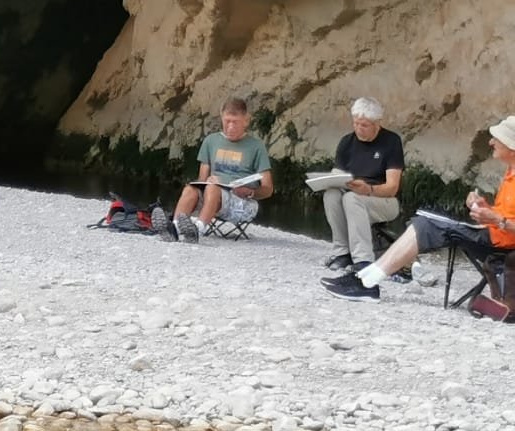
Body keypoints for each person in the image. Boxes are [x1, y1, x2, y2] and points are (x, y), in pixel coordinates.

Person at [322, 115, 515, 302]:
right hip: (491, 236)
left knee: (427, 224)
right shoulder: (510, 172)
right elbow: (505, 214)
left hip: (500, 246)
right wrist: (485, 209)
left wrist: (496, 219)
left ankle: (367, 282)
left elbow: (505, 221)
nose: (491, 142)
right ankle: (365, 277)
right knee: (425, 218)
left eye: (497, 139)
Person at [156, 97, 274, 243]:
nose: (230, 126)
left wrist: (250, 192)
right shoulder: (211, 141)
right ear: (221, 118)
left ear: (246, 121)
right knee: (190, 189)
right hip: (214, 195)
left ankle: (198, 229)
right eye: (227, 121)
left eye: (235, 122)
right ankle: (174, 228)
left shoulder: (256, 146)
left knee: (212, 189)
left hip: (242, 202)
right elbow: (201, 179)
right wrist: (205, 181)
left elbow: (268, 189)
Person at [322, 97, 406, 273]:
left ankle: (363, 260)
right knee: (331, 195)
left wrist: (369, 189)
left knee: (352, 199)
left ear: (377, 124)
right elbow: (338, 175)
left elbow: (392, 187)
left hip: (384, 200)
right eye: (356, 123)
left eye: (364, 125)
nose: (359, 129)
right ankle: (342, 253)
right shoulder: (346, 142)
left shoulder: (391, 142)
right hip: (351, 193)